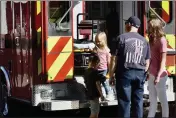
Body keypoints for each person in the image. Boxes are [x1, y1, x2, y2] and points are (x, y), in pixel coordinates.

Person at [109, 16, 151, 117]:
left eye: (126, 23)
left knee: (124, 102)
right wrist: (144, 73)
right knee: (138, 102)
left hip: (125, 74)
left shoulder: (121, 38)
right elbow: (147, 61)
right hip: (140, 73)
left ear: (129, 25)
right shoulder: (144, 41)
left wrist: (111, 75)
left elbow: (114, 59)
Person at [147, 18, 169, 118]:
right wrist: (148, 72)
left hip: (160, 76)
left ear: (155, 28)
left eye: (150, 27)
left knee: (163, 102)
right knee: (152, 102)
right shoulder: (151, 39)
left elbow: (163, 61)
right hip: (152, 74)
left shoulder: (162, 40)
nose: (148, 29)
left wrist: (158, 76)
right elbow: (150, 58)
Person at [84, 54, 106, 118]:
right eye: (98, 63)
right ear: (96, 62)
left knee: (94, 112)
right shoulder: (94, 72)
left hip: (90, 93)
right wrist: (101, 95)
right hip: (94, 95)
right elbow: (98, 84)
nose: (98, 65)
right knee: (95, 113)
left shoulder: (86, 71)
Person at [93, 32, 112, 100]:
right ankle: (101, 95)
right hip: (97, 69)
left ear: (104, 41)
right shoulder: (96, 49)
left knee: (104, 82)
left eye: (99, 41)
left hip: (103, 69)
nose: (97, 43)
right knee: (97, 83)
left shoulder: (106, 50)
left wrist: (110, 71)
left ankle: (109, 93)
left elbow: (109, 61)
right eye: (96, 41)